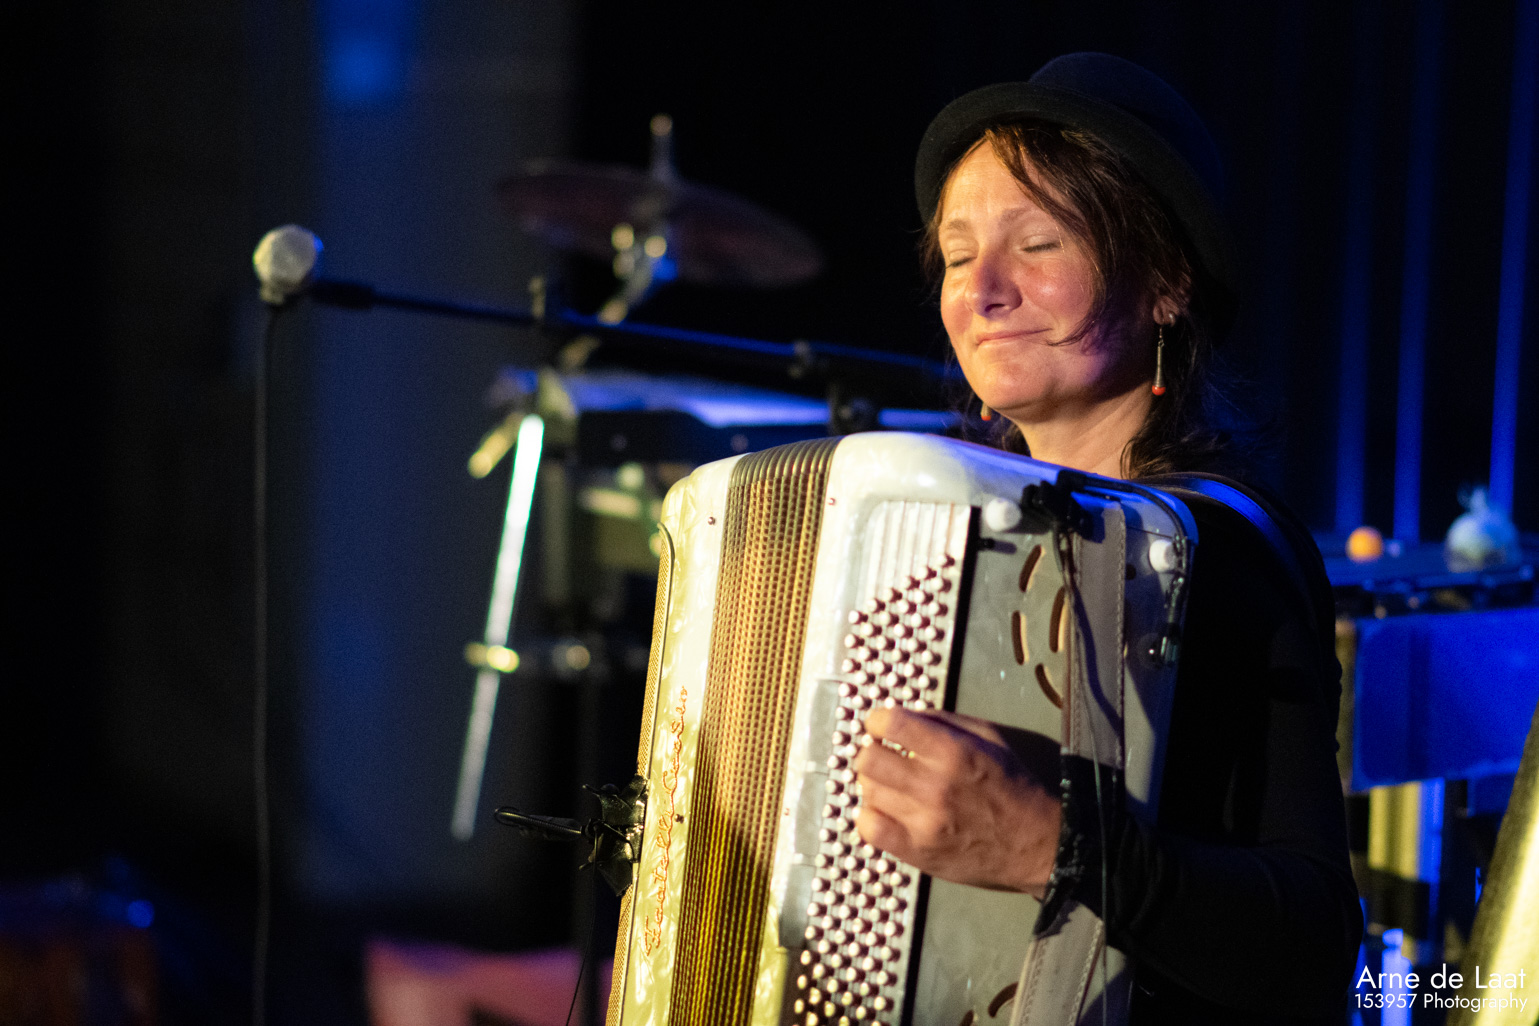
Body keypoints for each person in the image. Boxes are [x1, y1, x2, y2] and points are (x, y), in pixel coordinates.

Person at [851, 53, 1363, 1024]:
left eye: (1038, 243)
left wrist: (1053, 847)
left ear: (1166, 282)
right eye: (957, 256)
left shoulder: (1221, 550)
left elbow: (1312, 945)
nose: (982, 290)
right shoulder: (940, 535)